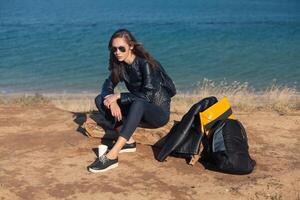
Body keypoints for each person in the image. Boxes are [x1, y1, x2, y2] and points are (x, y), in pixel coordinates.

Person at [87, 29, 175, 173]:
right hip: (137, 108)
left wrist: (119, 96)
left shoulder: (145, 64)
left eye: (122, 48)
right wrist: (113, 100)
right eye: (114, 49)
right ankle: (128, 142)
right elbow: (107, 85)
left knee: (138, 103)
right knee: (101, 99)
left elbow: (147, 96)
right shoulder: (119, 65)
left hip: (157, 112)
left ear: (131, 46)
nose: (117, 52)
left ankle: (112, 156)